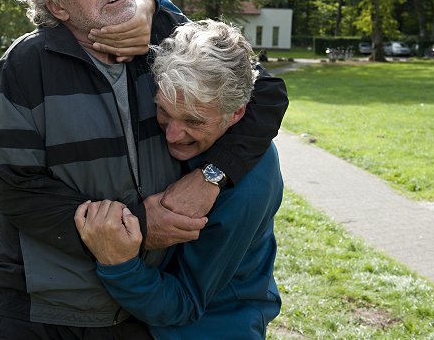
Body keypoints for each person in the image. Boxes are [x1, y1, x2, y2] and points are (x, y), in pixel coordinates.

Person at [0, 0, 288, 339]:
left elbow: (264, 90)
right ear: (57, 7)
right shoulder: (25, 64)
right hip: (35, 311)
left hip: (132, 317)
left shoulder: (163, 47)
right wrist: (139, 225)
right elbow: (15, 186)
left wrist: (213, 173)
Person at [75, 19, 283, 339]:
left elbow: (184, 305)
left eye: (193, 121)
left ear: (238, 114)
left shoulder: (249, 185)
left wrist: (119, 264)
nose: (172, 134)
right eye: (164, 112)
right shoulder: (185, 123)